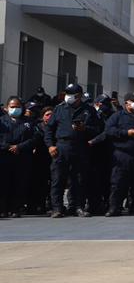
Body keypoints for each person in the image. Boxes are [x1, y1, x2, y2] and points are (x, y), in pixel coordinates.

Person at [44, 83, 102, 218]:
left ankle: (77, 206)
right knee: (58, 179)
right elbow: (49, 129)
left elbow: (97, 130)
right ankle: (57, 208)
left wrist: (84, 129)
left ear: (79, 96)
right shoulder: (59, 109)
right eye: (67, 94)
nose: (68, 97)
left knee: (79, 179)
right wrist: (50, 145)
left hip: (80, 147)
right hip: (61, 147)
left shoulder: (89, 110)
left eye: (71, 94)